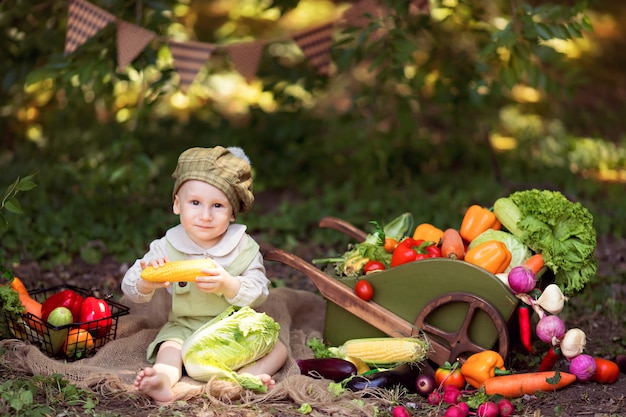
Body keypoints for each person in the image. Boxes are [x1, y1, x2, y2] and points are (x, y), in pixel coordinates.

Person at [121, 146, 288, 403]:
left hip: (233, 327)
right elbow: (129, 287)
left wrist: (229, 284)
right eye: (195, 203)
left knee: (278, 350)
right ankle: (163, 380)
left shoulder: (243, 247)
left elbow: (260, 290)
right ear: (177, 204)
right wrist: (146, 281)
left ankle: (245, 378)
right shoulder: (167, 246)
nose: (206, 215)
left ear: (233, 212)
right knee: (169, 348)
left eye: (218, 205)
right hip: (185, 325)